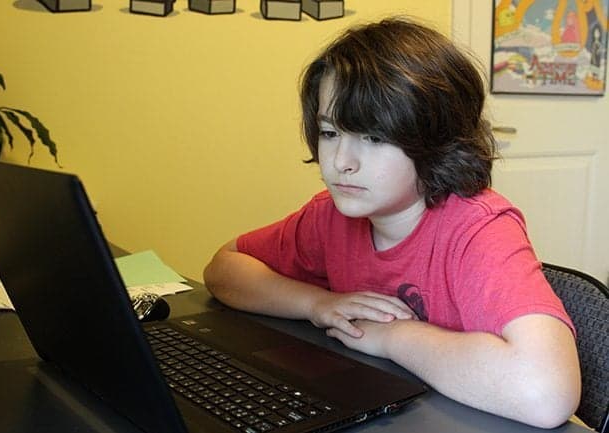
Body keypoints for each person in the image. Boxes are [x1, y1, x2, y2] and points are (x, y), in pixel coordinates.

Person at [203, 16, 581, 428]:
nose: (341, 163)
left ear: (435, 137)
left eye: (374, 138)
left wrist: (391, 337)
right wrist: (317, 304)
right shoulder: (330, 216)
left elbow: (547, 393)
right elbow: (223, 268)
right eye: (330, 133)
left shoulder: (478, 229)